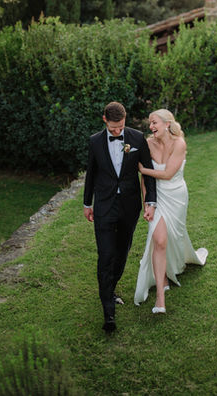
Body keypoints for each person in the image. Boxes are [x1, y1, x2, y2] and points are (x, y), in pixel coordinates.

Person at [83, 101, 157, 333]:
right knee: (105, 255)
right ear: (105, 119)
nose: (117, 131)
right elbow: (91, 173)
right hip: (104, 206)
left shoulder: (136, 138)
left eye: (121, 127)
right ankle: (109, 314)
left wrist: (151, 202)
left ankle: (110, 289)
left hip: (129, 206)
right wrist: (87, 203)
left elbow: (149, 170)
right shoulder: (95, 141)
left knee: (121, 252)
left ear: (125, 120)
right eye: (113, 128)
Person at [134, 109, 208, 313]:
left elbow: (166, 174)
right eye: (149, 123)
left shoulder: (179, 144)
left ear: (167, 124)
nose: (151, 127)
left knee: (172, 238)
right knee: (158, 240)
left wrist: (142, 168)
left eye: (154, 122)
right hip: (156, 198)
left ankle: (172, 267)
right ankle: (160, 295)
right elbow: (146, 180)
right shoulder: (148, 144)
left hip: (176, 196)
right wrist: (147, 203)